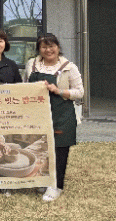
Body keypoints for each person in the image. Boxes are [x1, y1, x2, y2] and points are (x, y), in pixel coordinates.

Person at [24, 33, 84, 202]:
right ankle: (44, 181)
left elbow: (80, 92)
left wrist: (59, 91)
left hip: (62, 115)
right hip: (38, 114)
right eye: (44, 47)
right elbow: (25, 85)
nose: (48, 50)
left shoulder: (69, 67)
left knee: (59, 150)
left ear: (58, 47)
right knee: (40, 148)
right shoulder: (32, 64)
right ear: (39, 49)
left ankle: (56, 186)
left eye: (51, 46)